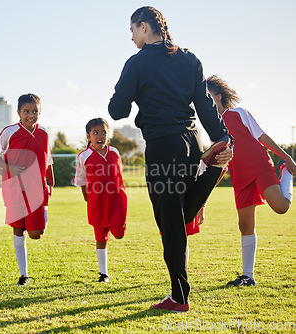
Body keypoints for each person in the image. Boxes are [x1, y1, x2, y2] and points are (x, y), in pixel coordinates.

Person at [108, 6, 233, 312]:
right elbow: (205, 107)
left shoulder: (136, 63)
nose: (131, 36)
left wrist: (124, 94)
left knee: (170, 221)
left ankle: (179, 297)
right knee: (177, 216)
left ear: (144, 26)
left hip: (163, 145)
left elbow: (116, 111)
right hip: (192, 143)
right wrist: (224, 137)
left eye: (132, 30)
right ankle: (211, 175)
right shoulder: (190, 59)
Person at [207, 75, 295, 286]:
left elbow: (262, 137)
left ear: (218, 97)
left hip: (259, 166)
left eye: (207, 95)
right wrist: (203, 199)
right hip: (240, 177)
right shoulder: (212, 129)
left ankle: (287, 174)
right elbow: (215, 163)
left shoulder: (238, 114)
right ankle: (248, 277)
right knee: (245, 225)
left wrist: (287, 157)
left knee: (281, 207)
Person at [0, 93, 54, 286]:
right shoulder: (10, 132)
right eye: (26, 111)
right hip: (15, 187)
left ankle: (42, 214)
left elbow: (48, 159)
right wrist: (11, 168)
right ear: (19, 112)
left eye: (35, 111)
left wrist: (51, 180)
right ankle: (23, 275)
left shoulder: (44, 132)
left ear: (39, 112)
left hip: (37, 188)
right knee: (19, 229)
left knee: (35, 233)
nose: (31, 115)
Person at [74, 118, 127, 283]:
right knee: (100, 238)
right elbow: (81, 181)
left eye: (104, 132)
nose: (100, 136)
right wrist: (89, 200)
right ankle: (103, 273)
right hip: (97, 203)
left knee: (119, 234)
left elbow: (119, 174)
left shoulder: (115, 152)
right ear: (88, 136)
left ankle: (113, 225)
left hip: (117, 201)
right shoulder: (84, 156)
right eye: (96, 133)